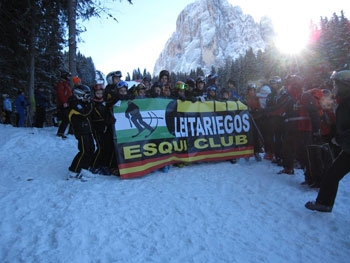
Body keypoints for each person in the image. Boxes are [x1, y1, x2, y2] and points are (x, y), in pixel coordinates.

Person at [305, 70, 350, 212]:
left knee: (332, 173)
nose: (334, 86)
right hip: (348, 148)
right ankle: (324, 203)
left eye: (336, 83)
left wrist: (340, 138)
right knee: (332, 174)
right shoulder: (343, 101)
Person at [67, 85, 95, 181]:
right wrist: (89, 103)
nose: (87, 97)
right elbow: (84, 113)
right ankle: (73, 171)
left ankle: (84, 168)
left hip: (87, 129)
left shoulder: (80, 102)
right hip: (81, 130)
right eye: (85, 95)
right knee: (84, 150)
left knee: (91, 149)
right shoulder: (74, 102)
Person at [90, 83, 111, 175]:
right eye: (98, 93)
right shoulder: (92, 104)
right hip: (97, 128)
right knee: (100, 147)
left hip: (105, 127)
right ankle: (94, 165)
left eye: (101, 93)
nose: (99, 95)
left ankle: (103, 164)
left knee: (106, 146)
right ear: (94, 93)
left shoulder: (104, 102)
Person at [56, 71, 72, 138]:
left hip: (67, 103)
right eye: (68, 76)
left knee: (66, 118)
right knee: (65, 118)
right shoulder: (61, 84)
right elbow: (60, 93)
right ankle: (60, 132)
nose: (69, 77)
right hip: (63, 104)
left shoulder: (66, 84)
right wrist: (64, 102)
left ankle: (62, 132)